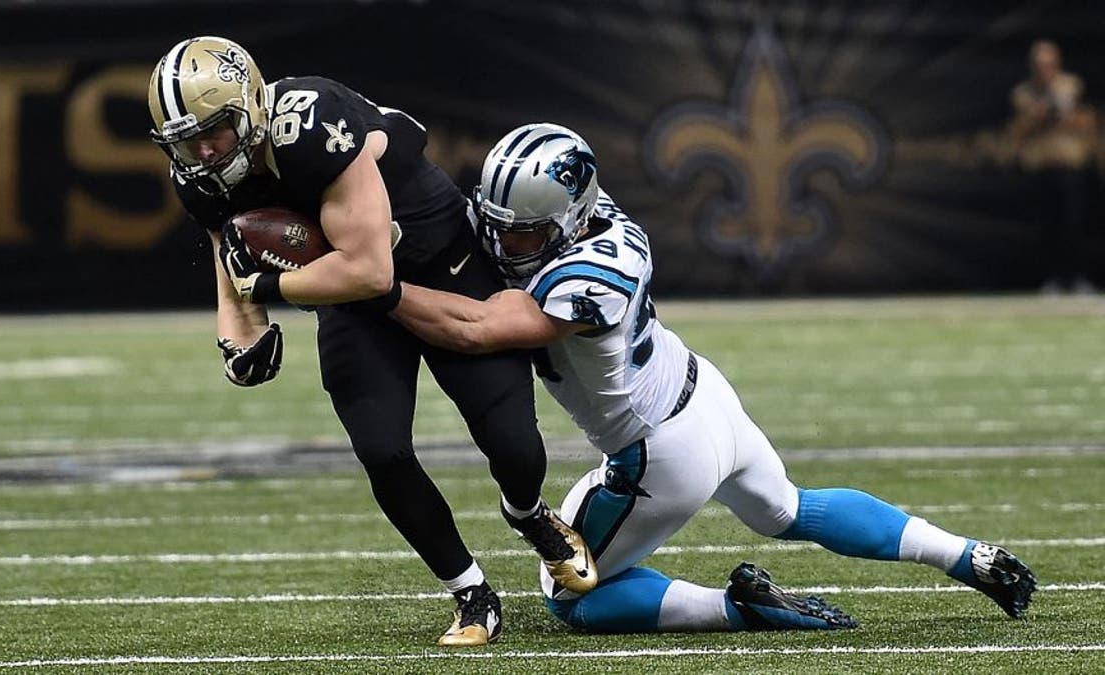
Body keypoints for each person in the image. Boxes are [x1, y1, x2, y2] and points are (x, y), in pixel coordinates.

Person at [390, 123, 1038, 633]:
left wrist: (378, 288)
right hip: (708, 397)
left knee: (566, 592)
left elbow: (473, 327)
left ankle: (733, 608)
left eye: (524, 234)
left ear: (565, 221)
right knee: (790, 507)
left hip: (661, 452)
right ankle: (966, 554)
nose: (505, 245)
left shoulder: (585, 275)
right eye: (499, 225)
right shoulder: (598, 217)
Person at [147, 37, 596, 646]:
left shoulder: (311, 125)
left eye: (216, 130)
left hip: (437, 262)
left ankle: (527, 512)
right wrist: (238, 333)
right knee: (381, 448)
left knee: (514, 444)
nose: (202, 151)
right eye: (185, 140)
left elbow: (370, 270)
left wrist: (270, 286)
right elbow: (232, 257)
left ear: (250, 107)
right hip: (351, 299)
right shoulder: (196, 176)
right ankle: (470, 591)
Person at [1008, 39, 1098, 294]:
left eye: (1048, 64)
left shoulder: (1072, 85)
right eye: (1039, 65)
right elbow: (1021, 129)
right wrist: (1041, 113)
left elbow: (1087, 121)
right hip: (1041, 169)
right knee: (1047, 228)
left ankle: (1078, 277)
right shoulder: (1024, 93)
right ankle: (1052, 279)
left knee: (1074, 227)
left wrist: (1065, 113)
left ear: (1057, 64)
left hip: (1070, 168)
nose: (1044, 69)